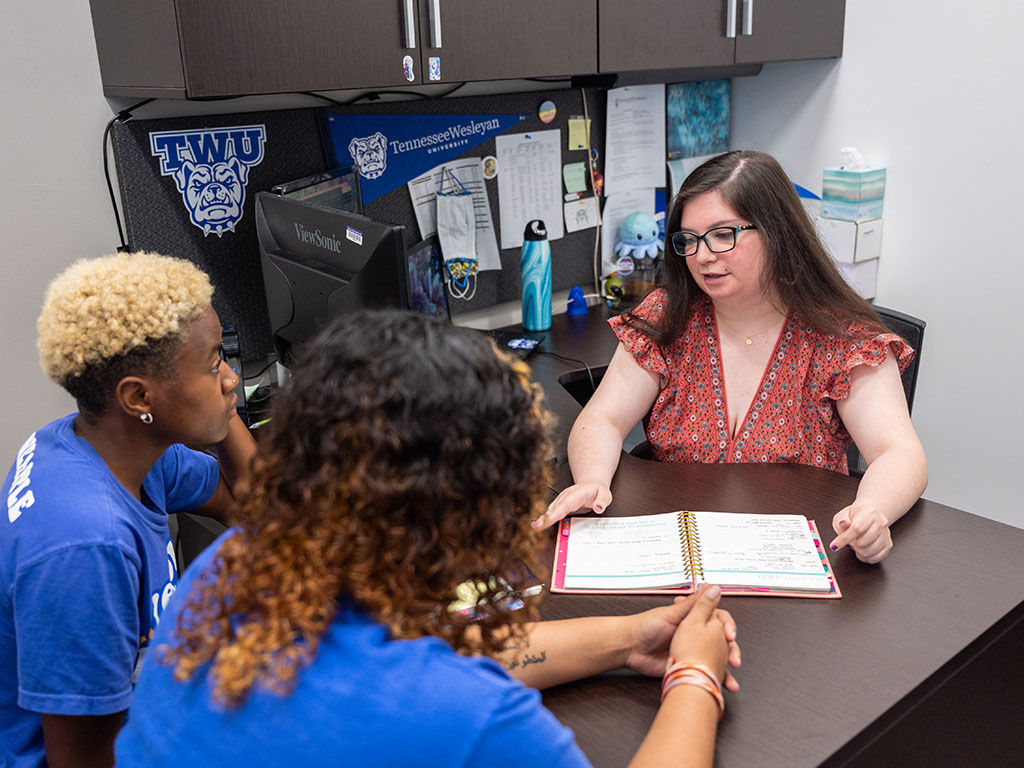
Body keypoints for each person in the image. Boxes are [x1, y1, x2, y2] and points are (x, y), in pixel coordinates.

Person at [115, 310, 741, 768]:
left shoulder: (234, 564)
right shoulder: (464, 717)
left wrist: (629, 639)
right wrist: (695, 674)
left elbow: (449, 648)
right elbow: (442, 682)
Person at [537, 151, 927, 564]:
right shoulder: (667, 317)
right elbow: (603, 418)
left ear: (777, 232)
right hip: (679, 548)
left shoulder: (842, 338)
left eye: (723, 235)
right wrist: (592, 481)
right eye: (689, 239)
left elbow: (899, 453)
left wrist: (871, 513)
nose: (703, 256)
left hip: (788, 558)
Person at [0, 252, 256, 768]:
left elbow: (253, 505)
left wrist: (219, 400)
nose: (231, 378)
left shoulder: (110, 448)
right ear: (139, 398)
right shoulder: (87, 545)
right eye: (214, 366)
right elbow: (85, 762)